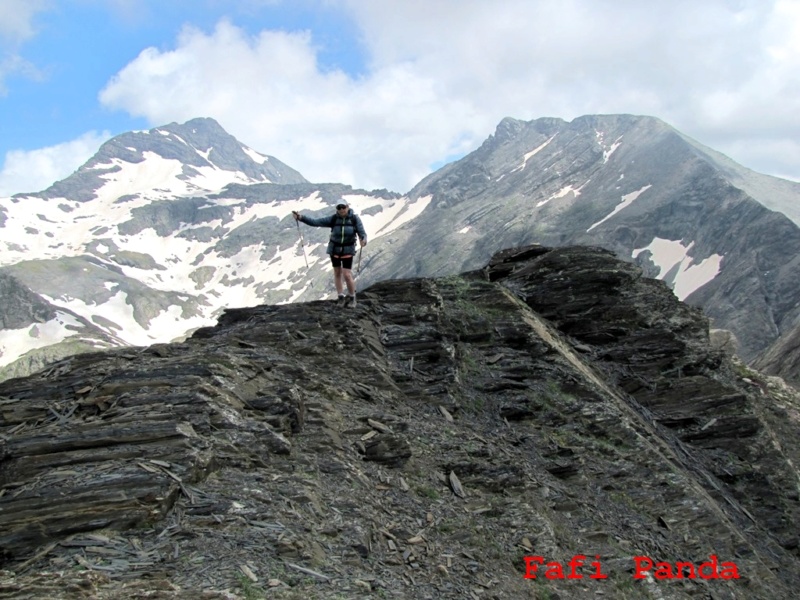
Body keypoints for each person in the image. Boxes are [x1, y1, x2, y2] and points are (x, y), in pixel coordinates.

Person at [292, 201, 367, 307]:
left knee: (347, 274)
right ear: (336, 209)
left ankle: (352, 298)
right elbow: (315, 222)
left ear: (347, 207)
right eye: (339, 207)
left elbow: (362, 232)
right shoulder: (333, 219)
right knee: (337, 273)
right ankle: (340, 297)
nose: (341, 209)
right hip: (334, 250)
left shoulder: (354, 219)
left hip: (348, 250)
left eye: (343, 207)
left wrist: (363, 239)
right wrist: (301, 217)